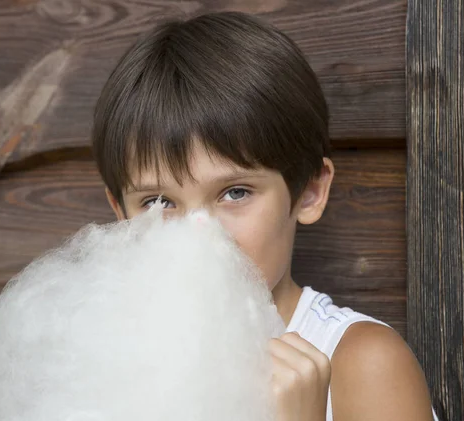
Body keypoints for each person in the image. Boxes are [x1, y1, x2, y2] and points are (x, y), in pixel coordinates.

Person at [91, 11, 437, 421]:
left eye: (235, 193)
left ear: (309, 191)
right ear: (121, 216)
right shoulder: (102, 359)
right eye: (159, 202)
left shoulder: (361, 364)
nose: (198, 236)